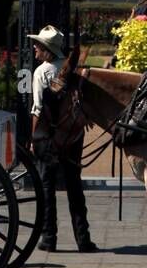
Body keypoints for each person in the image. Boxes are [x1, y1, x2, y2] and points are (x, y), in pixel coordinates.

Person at [29, 25, 97, 254]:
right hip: (73, 135)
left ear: (46, 48)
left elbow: (38, 109)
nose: (35, 48)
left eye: (37, 45)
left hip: (49, 136)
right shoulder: (72, 70)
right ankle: (83, 238)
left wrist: (33, 138)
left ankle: (49, 238)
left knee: (47, 188)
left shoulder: (41, 72)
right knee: (74, 186)